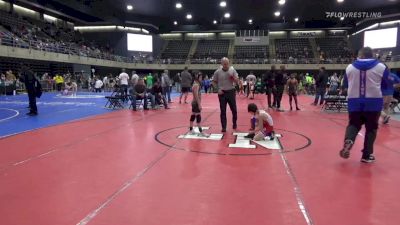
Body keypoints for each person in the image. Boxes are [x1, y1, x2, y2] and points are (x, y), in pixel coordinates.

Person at [339, 47, 390, 163]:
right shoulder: (382, 67)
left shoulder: (349, 67)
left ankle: (349, 140)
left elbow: (346, 85)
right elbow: (386, 85)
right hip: (373, 103)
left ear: (360, 55)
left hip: (354, 102)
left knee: (353, 124)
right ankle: (366, 155)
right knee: (371, 128)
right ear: (371, 55)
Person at [212, 57, 239, 132]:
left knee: (234, 110)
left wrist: (233, 78)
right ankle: (224, 127)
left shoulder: (232, 70)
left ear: (229, 63)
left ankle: (234, 123)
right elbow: (214, 82)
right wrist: (218, 89)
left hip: (231, 91)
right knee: (223, 110)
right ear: (222, 64)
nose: (226, 65)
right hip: (222, 93)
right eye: (224, 64)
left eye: (227, 64)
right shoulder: (217, 72)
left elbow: (237, 82)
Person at [189, 72, 208, 137]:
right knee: (198, 117)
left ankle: (191, 130)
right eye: (200, 77)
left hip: (194, 103)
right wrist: (199, 104)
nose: (201, 79)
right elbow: (196, 95)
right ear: (197, 77)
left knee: (193, 116)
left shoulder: (195, 84)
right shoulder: (196, 85)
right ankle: (201, 132)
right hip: (196, 103)